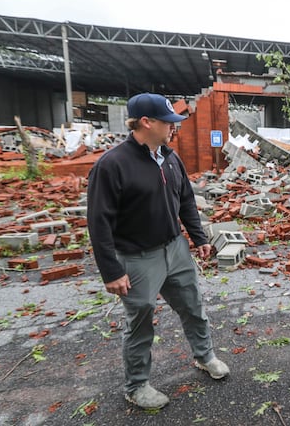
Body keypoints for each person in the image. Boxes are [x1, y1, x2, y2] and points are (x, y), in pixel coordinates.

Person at [87, 93, 228, 409]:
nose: (173, 127)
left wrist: (198, 237)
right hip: (137, 259)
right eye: (168, 122)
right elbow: (98, 223)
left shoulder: (170, 157)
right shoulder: (112, 166)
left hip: (175, 250)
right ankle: (136, 386)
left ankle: (204, 356)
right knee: (140, 323)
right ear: (146, 122)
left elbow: (186, 200)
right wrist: (111, 270)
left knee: (193, 307)